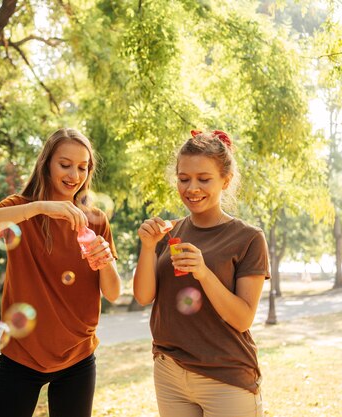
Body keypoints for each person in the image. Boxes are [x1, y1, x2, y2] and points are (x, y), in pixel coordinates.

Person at [0, 128, 121, 417]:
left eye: (82, 167)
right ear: (46, 163)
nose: (74, 175)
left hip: (79, 356)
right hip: (22, 355)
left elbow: (113, 292)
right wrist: (38, 208)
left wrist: (106, 261)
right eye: (65, 164)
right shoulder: (21, 211)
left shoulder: (96, 221)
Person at [133, 129, 270, 417]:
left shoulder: (248, 238)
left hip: (226, 378)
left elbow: (243, 318)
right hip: (170, 373)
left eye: (204, 179)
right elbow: (144, 296)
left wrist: (204, 273)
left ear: (226, 181)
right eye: (184, 179)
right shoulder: (171, 233)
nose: (192, 188)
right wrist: (147, 248)